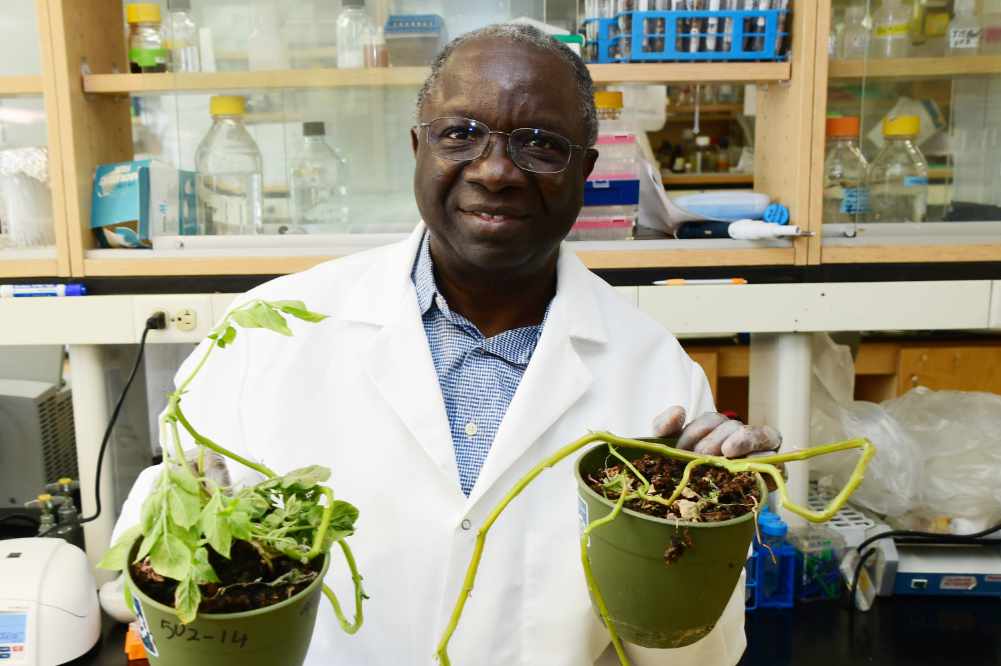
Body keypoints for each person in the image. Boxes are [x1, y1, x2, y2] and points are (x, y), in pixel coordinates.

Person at [111, 23, 781, 666]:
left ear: (585, 170)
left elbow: (694, 658)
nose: (494, 171)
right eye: (460, 133)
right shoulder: (266, 334)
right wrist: (190, 545)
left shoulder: (653, 373)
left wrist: (689, 540)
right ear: (417, 148)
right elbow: (141, 590)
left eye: (541, 144)